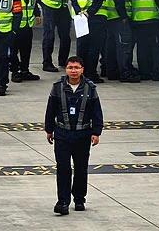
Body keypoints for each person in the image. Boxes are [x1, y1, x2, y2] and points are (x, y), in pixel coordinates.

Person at [44, 56, 103, 216]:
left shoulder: (90, 88)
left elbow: (96, 112)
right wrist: (49, 129)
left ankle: (79, 199)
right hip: (62, 134)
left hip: (82, 135)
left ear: (82, 69)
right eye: (70, 67)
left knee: (81, 168)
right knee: (63, 168)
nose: (73, 70)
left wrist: (96, 132)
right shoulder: (57, 87)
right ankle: (63, 202)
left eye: (77, 67)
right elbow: (51, 110)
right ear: (66, 69)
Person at [98, 0, 134, 82]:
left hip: (109, 16)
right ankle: (124, 73)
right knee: (123, 46)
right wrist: (123, 16)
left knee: (111, 46)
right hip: (118, 17)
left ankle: (111, 72)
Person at [68, 0, 103, 79]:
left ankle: (80, 72)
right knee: (93, 47)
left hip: (80, 18)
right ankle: (91, 73)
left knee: (82, 46)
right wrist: (89, 13)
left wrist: (79, 11)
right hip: (93, 17)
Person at [10, 0, 41, 83]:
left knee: (26, 50)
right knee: (13, 50)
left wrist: (37, 14)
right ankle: (15, 72)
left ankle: (24, 71)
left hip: (28, 24)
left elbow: (34, 1)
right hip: (16, 25)